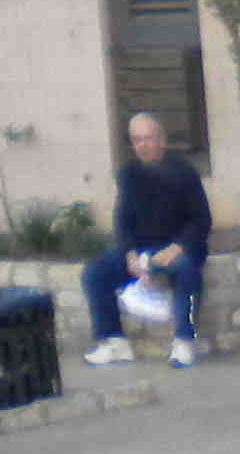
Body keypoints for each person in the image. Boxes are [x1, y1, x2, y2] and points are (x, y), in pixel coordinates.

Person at [78, 112, 211, 369]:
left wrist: (176, 248)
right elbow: (123, 220)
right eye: (137, 140)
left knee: (187, 270)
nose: (142, 145)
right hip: (141, 250)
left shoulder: (184, 172)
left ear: (162, 140)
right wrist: (129, 254)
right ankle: (114, 341)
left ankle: (185, 340)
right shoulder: (128, 175)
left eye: (148, 138)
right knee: (95, 273)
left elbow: (201, 220)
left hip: (178, 248)